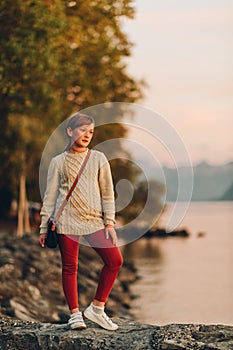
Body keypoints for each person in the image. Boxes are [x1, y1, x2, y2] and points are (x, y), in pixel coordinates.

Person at [39, 113, 123, 331]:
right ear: (70, 131)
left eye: (91, 131)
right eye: (82, 130)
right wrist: (42, 227)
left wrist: (110, 223)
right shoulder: (58, 162)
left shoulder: (98, 158)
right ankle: (75, 314)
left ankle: (97, 308)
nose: (87, 135)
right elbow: (50, 196)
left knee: (114, 261)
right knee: (70, 267)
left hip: (94, 221)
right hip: (66, 221)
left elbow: (107, 193)